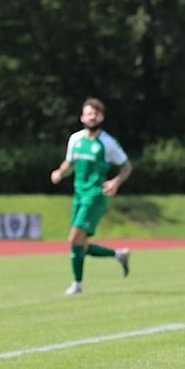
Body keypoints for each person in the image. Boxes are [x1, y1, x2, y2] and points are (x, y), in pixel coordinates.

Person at [50, 97, 133, 296]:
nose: (92, 117)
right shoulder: (75, 139)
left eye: (95, 114)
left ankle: (77, 285)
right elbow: (69, 162)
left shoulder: (107, 142)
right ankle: (118, 255)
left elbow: (127, 166)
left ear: (101, 117)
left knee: (73, 239)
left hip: (95, 195)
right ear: (82, 117)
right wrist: (60, 172)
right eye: (88, 113)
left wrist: (115, 182)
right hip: (78, 195)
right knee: (80, 243)